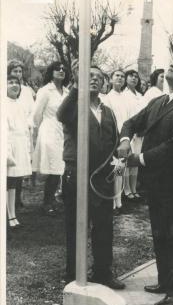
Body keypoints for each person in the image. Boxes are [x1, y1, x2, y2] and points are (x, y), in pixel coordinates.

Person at [118, 60, 173, 305]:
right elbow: (132, 123)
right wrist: (125, 139)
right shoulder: (158, 102)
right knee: (160, 232)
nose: (172, 64)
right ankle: (165, 281)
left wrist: (138, 159)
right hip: (156, 180)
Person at [57, 61, 125, 289]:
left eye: (98, 76)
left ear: (105, 83)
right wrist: (78, 84)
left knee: (104, 226)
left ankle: (103, 273)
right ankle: (74, 274)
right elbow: (61, 114)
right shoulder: (74, 106)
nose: (94, 78)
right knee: (76, 226)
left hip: (102, 177)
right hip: (76, 174)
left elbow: (114, 142)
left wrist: (120, 159)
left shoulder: (109, 112)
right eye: (89, 75)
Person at [32, 61, 69, 215]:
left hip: (64, 132)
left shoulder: (67, 92)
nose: (61, 70)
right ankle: (47, 202)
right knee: (54, 167)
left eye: (63, 69)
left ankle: (56, 198)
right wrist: (37, 133)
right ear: (51, 72)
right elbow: (36, 114)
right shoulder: (45, 91)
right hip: (49, 130)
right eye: (57, 69)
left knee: (62, 167)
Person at [7, 60, 35, 209]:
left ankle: (17, 197)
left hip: (23, 129)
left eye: (20, 71)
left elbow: (31, 111)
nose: (18, 74)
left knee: (21, 166)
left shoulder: (26, 91)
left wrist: (28, 123)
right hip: (11, 130)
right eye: (14, 71)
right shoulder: (8, 88)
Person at [103, 69, 128, 211]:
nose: (120, 78)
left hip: (124, 139)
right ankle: (111, 201)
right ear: (111, 79)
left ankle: (119, 201)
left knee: (120, 170)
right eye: (117, 76)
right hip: (113, 139)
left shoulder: (125, 98)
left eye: (122, 76)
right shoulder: (107, 98)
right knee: (112, 171)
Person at [122, 70, 146, 200]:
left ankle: (133, 188)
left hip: (139, 133)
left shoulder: (140, 96)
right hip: (128, 132)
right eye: (131, 76)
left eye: (137, 77)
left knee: (135, 161)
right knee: (124, 162)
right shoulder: (123, 95)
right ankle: (125, 190)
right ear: (126, 78)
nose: (134, 78)